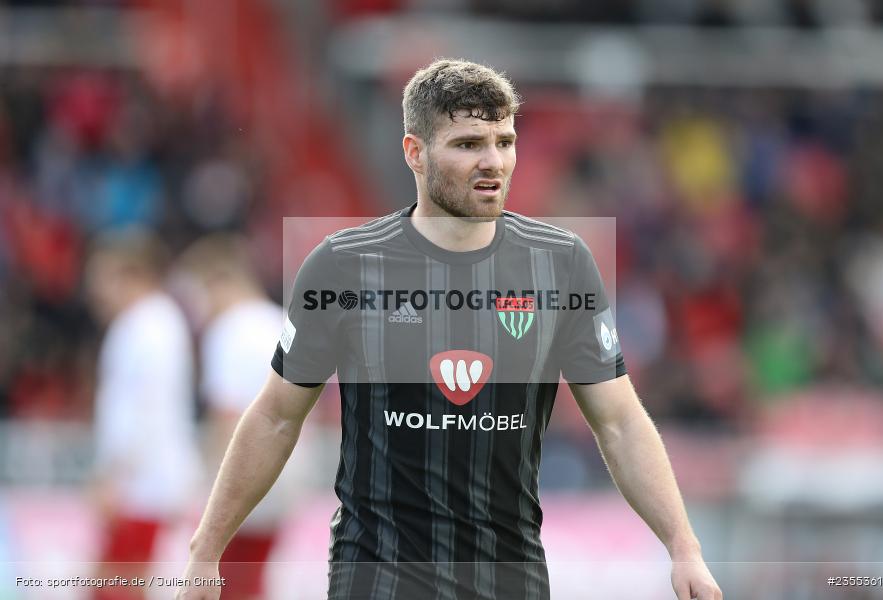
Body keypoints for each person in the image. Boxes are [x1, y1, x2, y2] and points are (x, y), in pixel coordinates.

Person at [177, 59, 723, 600]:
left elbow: (620, 421)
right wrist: (206, 550)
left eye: (504, 142)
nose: (493, 162)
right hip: (379, 580)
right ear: (415, 153)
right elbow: (276, 416)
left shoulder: (561, 265)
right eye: (468, 144)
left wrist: (683, 547)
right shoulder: (344, 266)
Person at [176, 234, 295, 600]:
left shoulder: (229, 331)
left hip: (241, 477)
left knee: (222, 583)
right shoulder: (281, 321)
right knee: (251, 582)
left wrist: (209, 488)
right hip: (284, 472)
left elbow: (227, 416)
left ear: (217, 281)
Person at [85, 228, 202, 600]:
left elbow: (139, 411)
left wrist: (113, 476)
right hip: (149, 480)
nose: (94, 290)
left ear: (130, 274)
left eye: (101, 277)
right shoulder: (160, 322)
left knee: (114, 589)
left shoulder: (142, 327)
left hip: (140, 486)